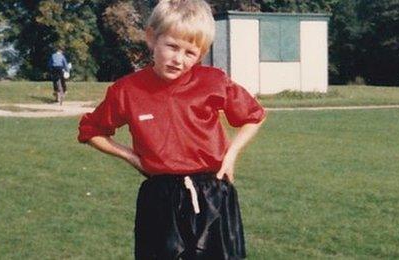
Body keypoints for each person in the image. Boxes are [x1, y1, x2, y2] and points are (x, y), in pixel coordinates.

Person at [77, 0, 266, 258]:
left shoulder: (213, 81)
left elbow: (254, 116)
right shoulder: (127, 90)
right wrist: (131, 156)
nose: (179, 59)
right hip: (160, 197)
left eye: (190, 53)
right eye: (172, 47)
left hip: (213, 194)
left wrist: (231, 155)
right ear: (151, 38)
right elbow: (90, 130)